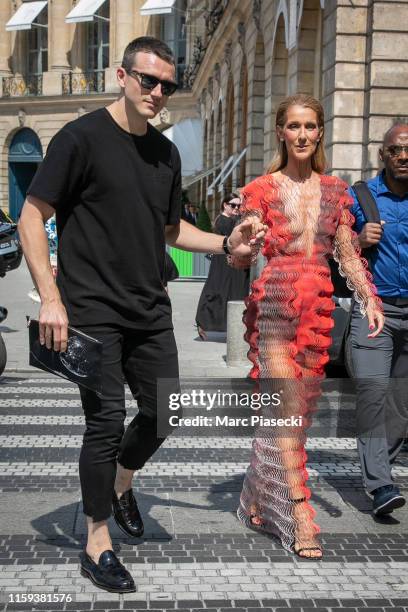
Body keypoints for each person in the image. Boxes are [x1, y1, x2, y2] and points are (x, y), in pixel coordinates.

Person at [18, 36, 265, 594]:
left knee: (165, 411)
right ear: (122, 75)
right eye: (148, 80)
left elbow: (172, 230)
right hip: (92, 312)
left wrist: (228, 245)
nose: (158, 92)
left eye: (167, 85)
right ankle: (97, 539)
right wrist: (50, 297)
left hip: (150, 308)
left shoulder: (166, 153)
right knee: (104, 424)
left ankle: (123, 482)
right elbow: (34, 215)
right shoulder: (79, 139)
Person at [231, 94, 384, 559]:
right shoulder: (259, 189)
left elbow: (346, 252)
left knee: (296, 418)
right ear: (280, 131)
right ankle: (298, 510)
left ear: (320, 132)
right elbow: (244, 249)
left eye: (309, 126)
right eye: (293, 126)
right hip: (276, 305)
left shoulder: (337, 191)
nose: (301, 135)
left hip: (316, 309)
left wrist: (369, 299)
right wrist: (245, 242)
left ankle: (254, 493)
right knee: (286, 409)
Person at [350, 123, 408, 517]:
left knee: (401, 405)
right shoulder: (360, 197)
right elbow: (331, 250)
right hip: (375, 311)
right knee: (372, 393)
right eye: (395, 150)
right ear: (383, 154)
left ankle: (380, 465)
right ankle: (381, 483)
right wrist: (358, 239)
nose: (403, 156)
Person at [195, 192, 249, 339]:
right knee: (218, 290)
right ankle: (204, 322)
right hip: (224, 262)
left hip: (229, 261)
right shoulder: (224, 221)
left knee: (227, 292)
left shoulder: (231, 220)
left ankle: (233, 326)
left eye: (239, 205)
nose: (237, 208)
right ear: (225, 205)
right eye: (233, 205)